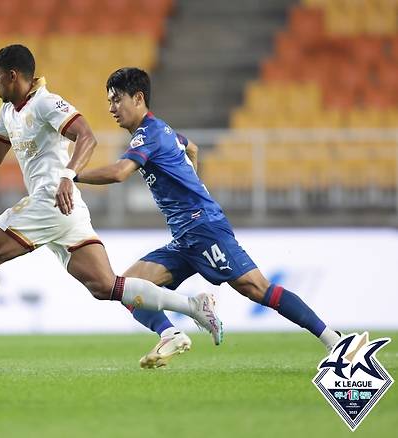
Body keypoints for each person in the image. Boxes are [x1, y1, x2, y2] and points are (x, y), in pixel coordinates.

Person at [0, 44, 223, 363]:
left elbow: (87, 136)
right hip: (65, 209)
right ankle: (192, 308)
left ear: (13, 76)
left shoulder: (46, 102)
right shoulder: (8, 113)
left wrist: (67, 176)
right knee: (105, 286)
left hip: (51, 198)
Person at [72, 67, 342, 367]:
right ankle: (171, 334)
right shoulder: (161, 131)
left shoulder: (149, 134)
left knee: (257, 288)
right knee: (127, 287)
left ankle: (333, 339)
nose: (111, 108)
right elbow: (192, 147)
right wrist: (192, 183)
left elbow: (120, 172)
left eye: (116, 99)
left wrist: (73, 175)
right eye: (109, 101)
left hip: (204, 229)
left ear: (138, 98)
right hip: (185, 236)